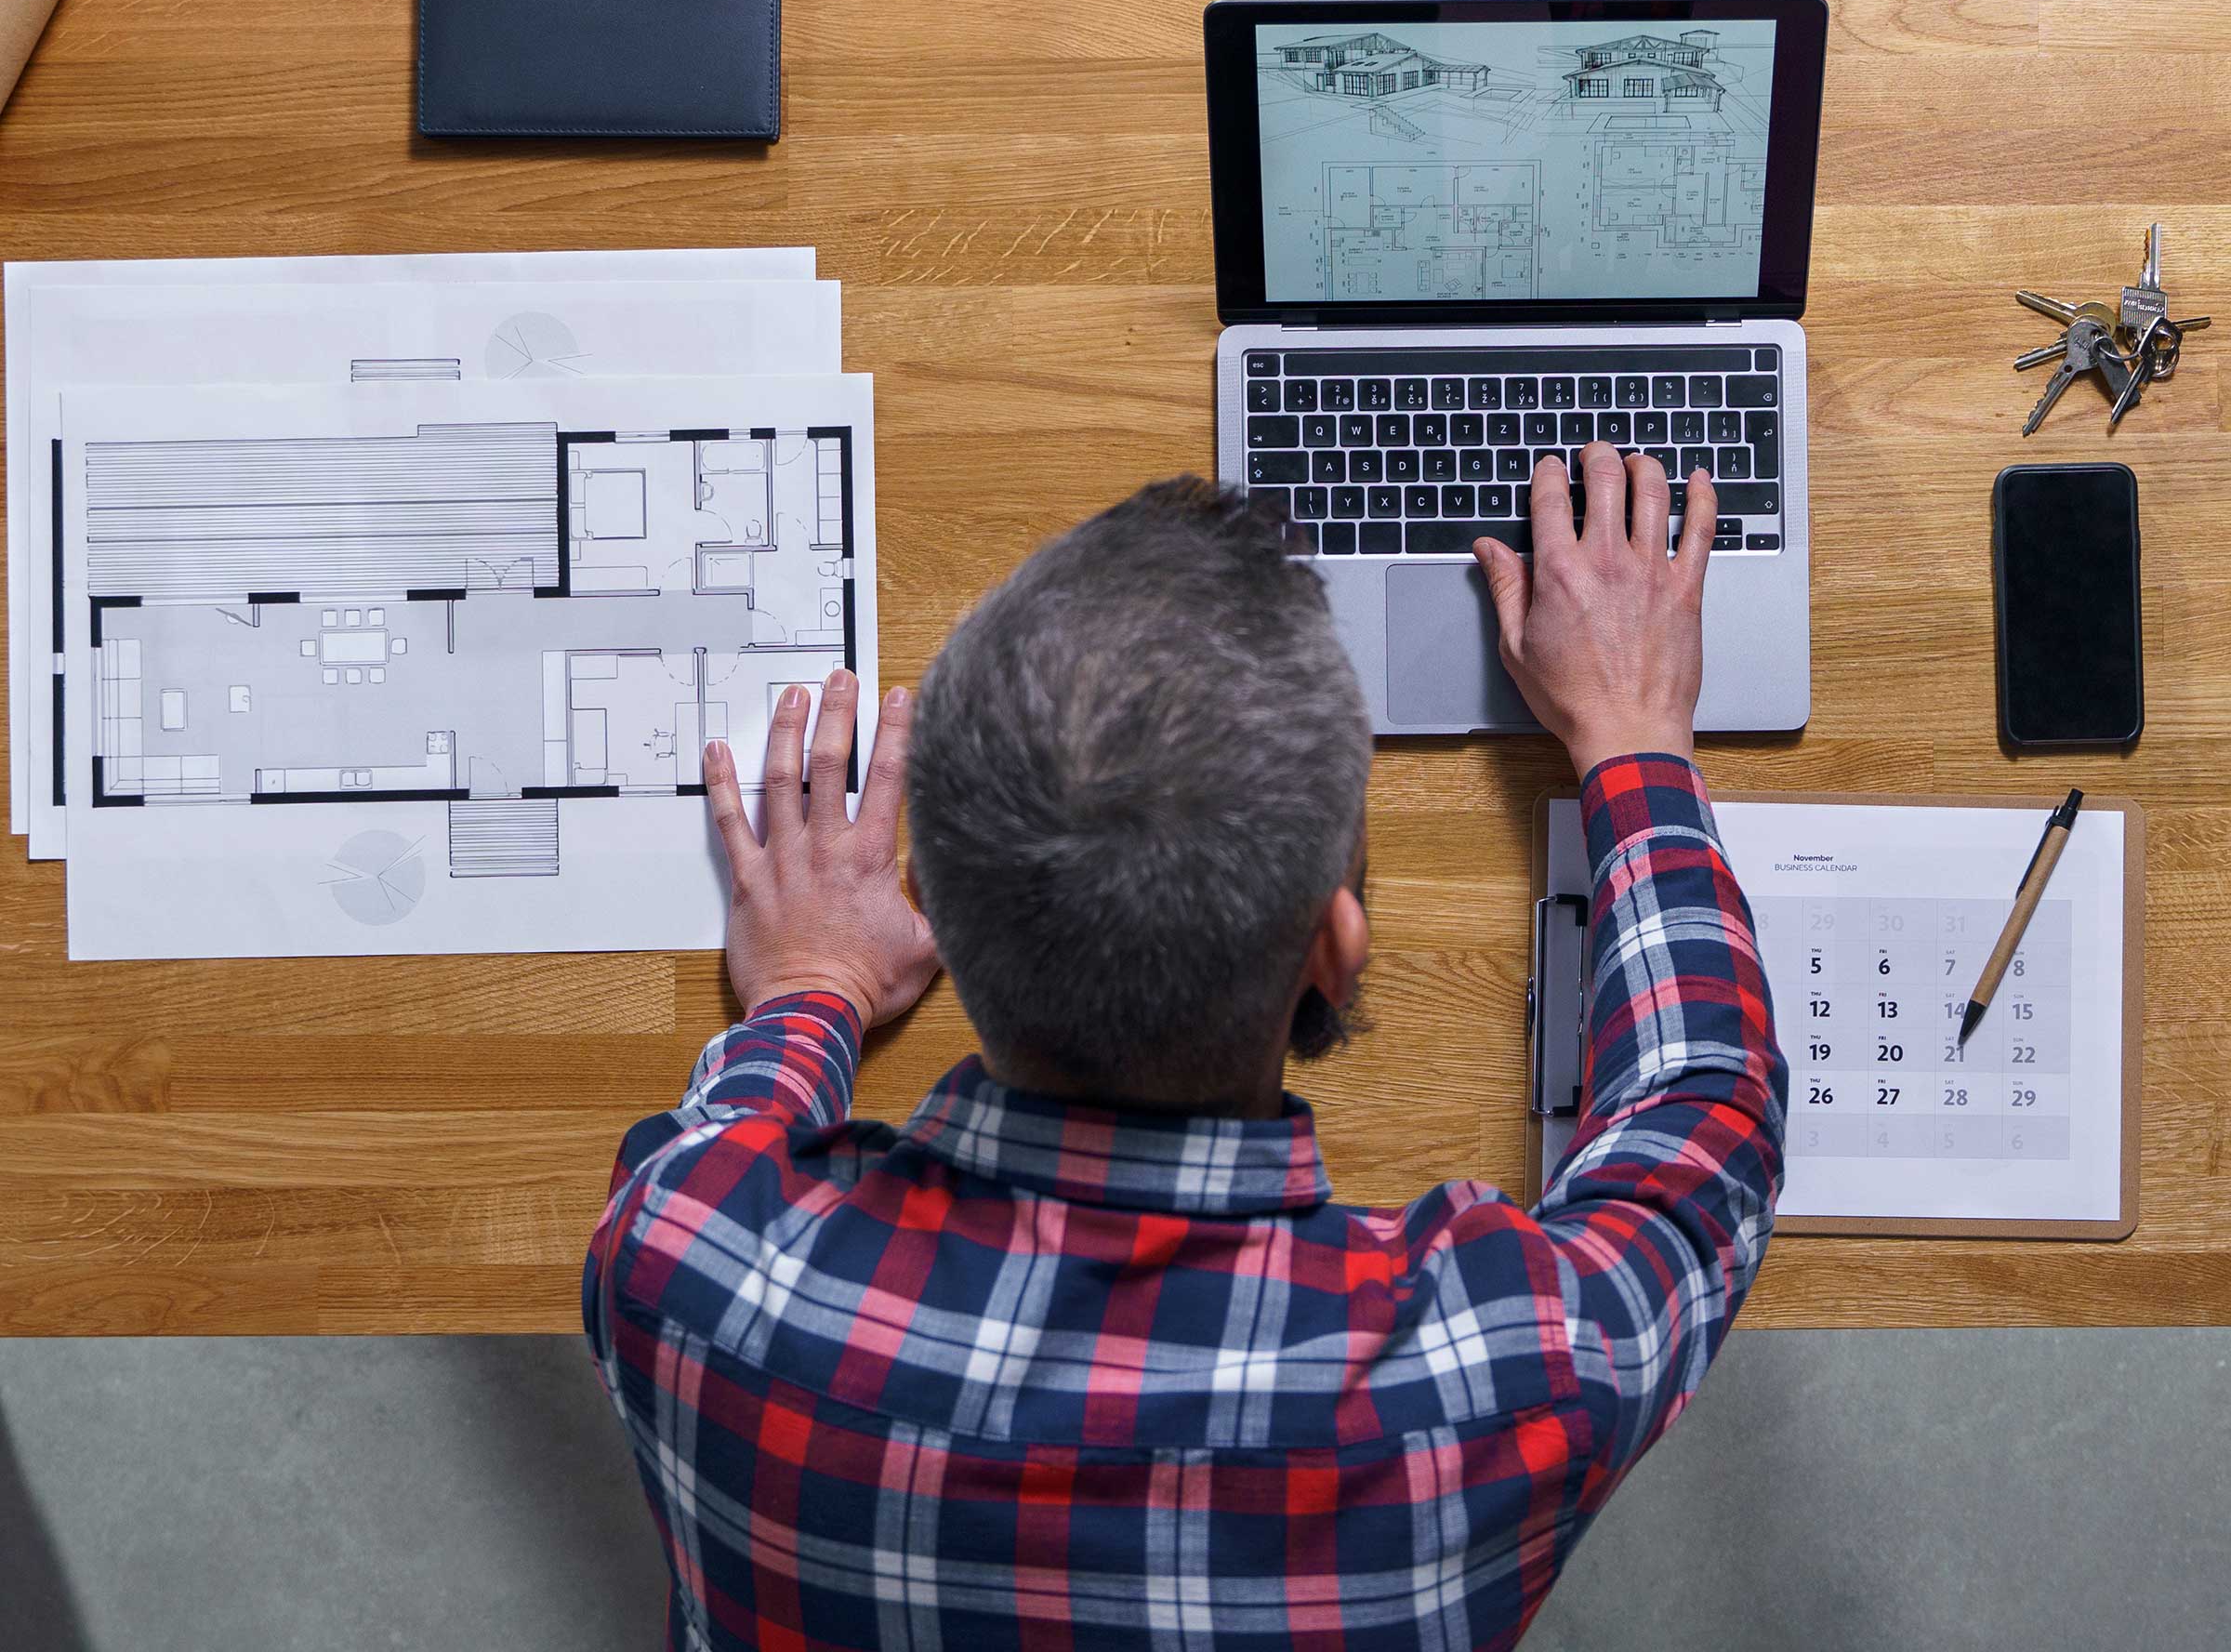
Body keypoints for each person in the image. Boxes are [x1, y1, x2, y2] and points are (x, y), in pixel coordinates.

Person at [584, 446, 1785, 1652]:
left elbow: (715, 1153)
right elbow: (1702, 1127)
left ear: (934, 912)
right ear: (1336, 944)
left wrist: (813, 986)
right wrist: (1632, 736)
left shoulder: (686, 1273)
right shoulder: (1507, 1383)